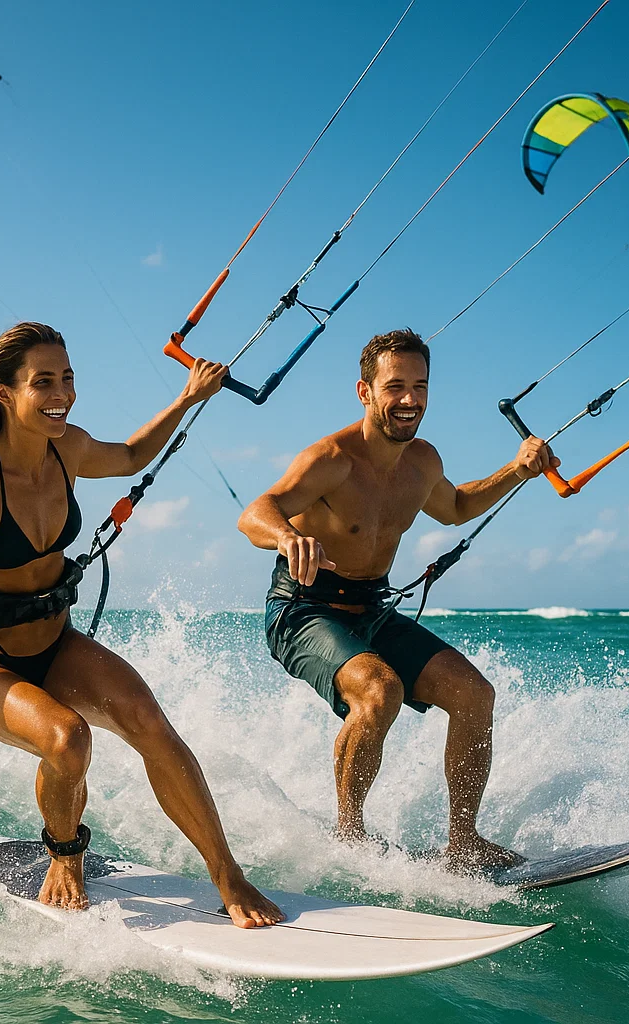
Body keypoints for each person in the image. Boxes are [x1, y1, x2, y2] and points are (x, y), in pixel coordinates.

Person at [0, 322, 283, 928]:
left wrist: (185, 399)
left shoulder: (66, 448)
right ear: (5, 394)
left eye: (67, 379)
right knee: (69, 738)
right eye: (42, 382)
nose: (61, 394)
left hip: (54, 640)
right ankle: (64, 855)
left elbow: (127, 457)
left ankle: (228, 874)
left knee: (149, 720)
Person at [238, 328, 558, 870]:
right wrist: (287, 536)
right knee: (379, 690)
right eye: (395, 387)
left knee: (474, 694)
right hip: (304, 607)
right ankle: (350, 837)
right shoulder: (331, 458)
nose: (410, 400)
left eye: (420, 387)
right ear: (365, 392)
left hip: (373, 607)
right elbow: (255, 512)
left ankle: (463, 842)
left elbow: (455, 507)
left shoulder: (423, 462)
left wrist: (517, 471)